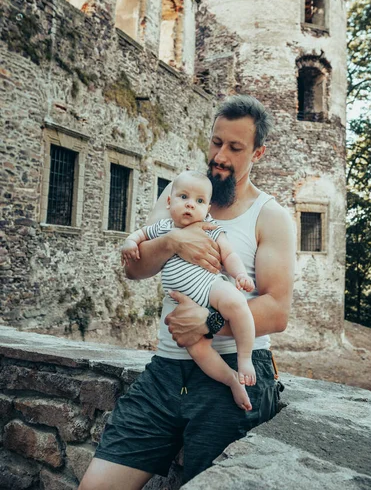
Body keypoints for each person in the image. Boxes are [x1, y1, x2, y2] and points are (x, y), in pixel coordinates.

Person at [79, 95, 295, 490]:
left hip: (233, 375)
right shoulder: (179, 195)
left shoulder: (271, 215)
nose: (219, 156)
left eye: (234, 147)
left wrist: (209, 324)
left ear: (258, 153)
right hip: (165, 371)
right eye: (216, 142)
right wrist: (174, 242)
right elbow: (135, 269)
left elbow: (277, 310)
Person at [121, 169, 257, 411]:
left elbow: (229, 254)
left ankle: (244, 359)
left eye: (199, 201)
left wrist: (240, 274)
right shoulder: (163, 228)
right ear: (170, 202)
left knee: (237, 303)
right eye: (184, 197)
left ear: (207, 210)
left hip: (210, 287)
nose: (190, 205)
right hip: (179, 305)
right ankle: (232, 380)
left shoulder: (210, 227)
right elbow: (139, 235)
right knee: (199, 352)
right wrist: (130, 243)